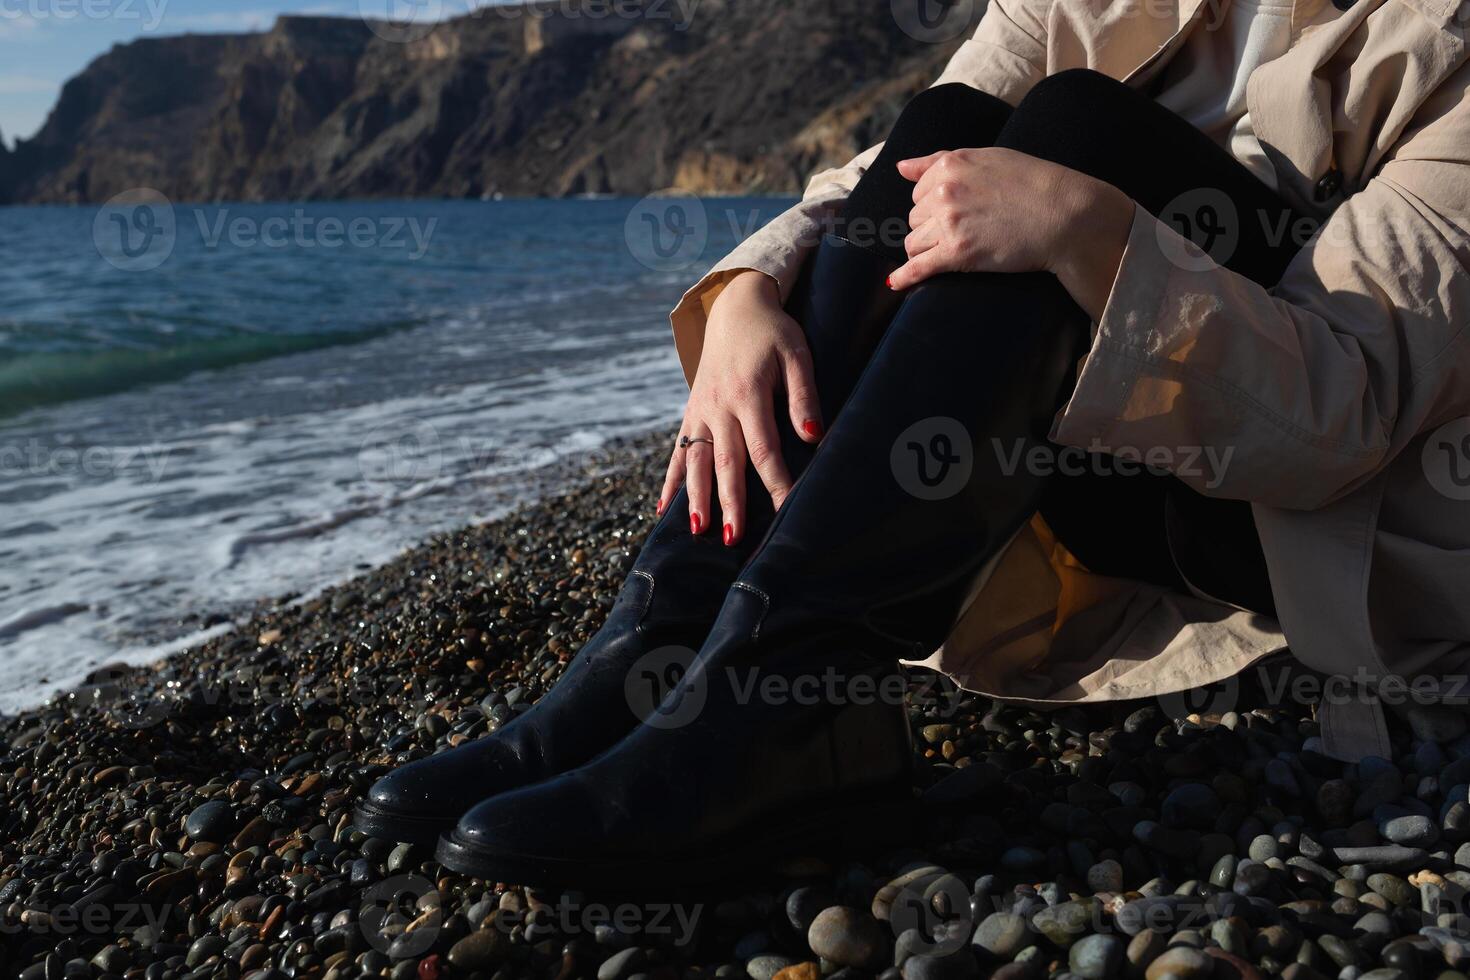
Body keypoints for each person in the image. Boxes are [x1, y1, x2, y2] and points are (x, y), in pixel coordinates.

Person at [358, 0, 1470, 886]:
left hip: (1308, 510)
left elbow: (1348, 408)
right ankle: (676, 640)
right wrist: (750, 289)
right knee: (949, 128)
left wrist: (1090, 235)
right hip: (1088, 454)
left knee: (1079, 127)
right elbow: (901, 163)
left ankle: (779, 683)